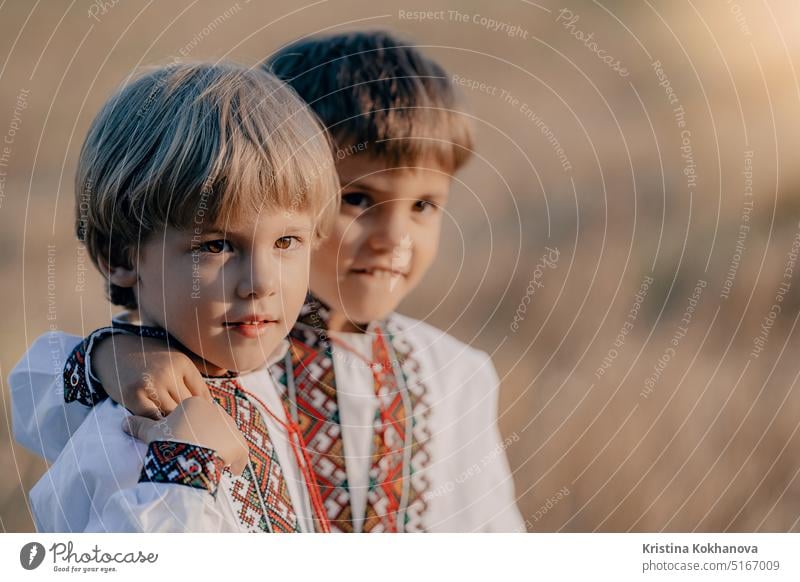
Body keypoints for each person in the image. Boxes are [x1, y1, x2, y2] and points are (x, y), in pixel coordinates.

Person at [11, 31, 524, 532]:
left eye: (424, 206)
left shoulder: (454, 372)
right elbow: (38, 396)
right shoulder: (196, 373)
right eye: (358, 199)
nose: (393, 237)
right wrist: (109, 357)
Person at [13, 61, 339, 532]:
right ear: (120, 256)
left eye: (287, 242)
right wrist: (182, 467)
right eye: (216, 246)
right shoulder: (128, 434)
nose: (262, 282)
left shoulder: (269, 377)